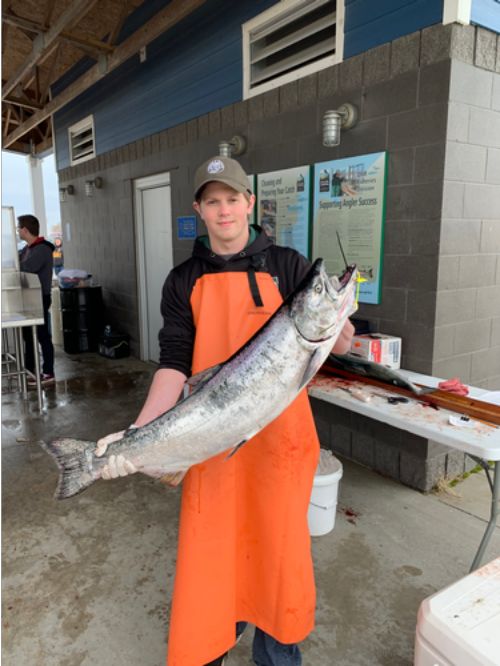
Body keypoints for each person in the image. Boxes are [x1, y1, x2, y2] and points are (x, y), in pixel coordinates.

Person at [96, 156, 354, 666]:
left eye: (232, 199)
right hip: (212, 442)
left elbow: (337, 344)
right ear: (198, 210)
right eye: (212, 201)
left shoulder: (288, 265)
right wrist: (138, 433)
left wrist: (341, 326)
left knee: (278, 559)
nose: (224, 210)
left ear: (249, 203)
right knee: (214, 555)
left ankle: (276, 655)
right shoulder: (182, 280)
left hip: (281, 446)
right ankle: (213, 641)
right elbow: (173, 364)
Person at [17, 214, 55, 385]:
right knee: (28, 336)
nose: (17, 231)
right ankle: (31, 370)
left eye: (19, 228)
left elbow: (27, 268)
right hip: (28, 298)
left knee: (41, 335)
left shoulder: (43, 249)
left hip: (40, 297)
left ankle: (48, 372)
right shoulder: (27, 249)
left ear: (25, 230)